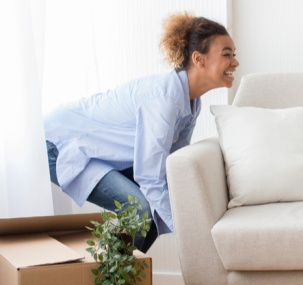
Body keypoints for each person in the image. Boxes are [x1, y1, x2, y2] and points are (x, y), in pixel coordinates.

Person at [45, 12, 239, 252]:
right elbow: (150, 176)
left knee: (152, 211)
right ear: (199, 59)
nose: (235, 62)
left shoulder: (191, 102)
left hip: (96, 151)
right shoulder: (164, 100)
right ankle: (110, 283)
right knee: (140, 208)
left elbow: (171, 167)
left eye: (234, 55)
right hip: (60, 143)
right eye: (227, 55)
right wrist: (190, 232)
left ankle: (118, 279)